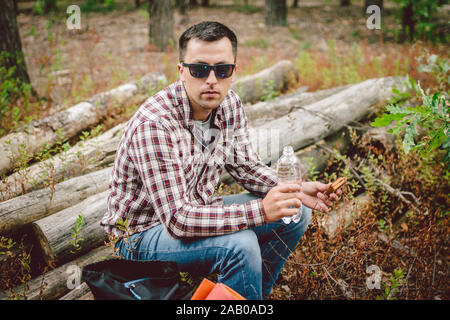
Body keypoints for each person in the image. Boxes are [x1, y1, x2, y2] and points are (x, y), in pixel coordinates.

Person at [101, 21, 341, 300]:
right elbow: (178, 220)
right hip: (141, 236)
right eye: (200, 70)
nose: (212, 80)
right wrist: (260, 212)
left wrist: (296, 190)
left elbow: (246, 168)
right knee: (241, 244)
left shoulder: (228, 105)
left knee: (295, 212)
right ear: (182, 71)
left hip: (196, 209)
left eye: (222, 69)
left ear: (234, 72)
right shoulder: (156, 125)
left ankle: (252, 297)